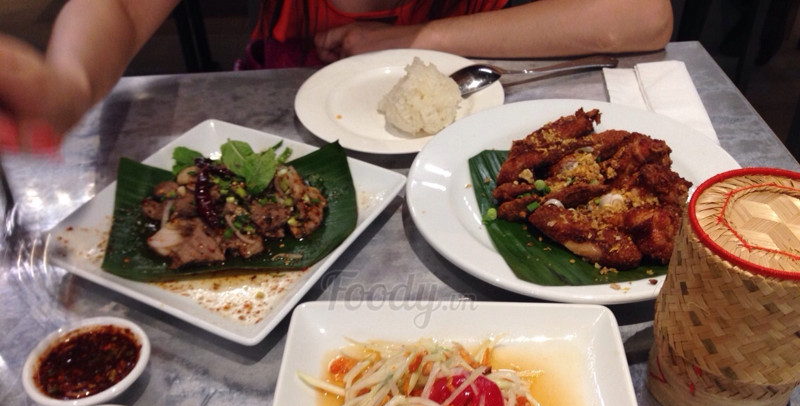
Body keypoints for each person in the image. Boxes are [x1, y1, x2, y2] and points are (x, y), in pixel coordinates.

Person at [0, 0, 673, 153]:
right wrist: (69, 83)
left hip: (474, 148)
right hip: (277, 136)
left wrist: (425, 38)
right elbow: (116, 7)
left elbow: (640, 16)